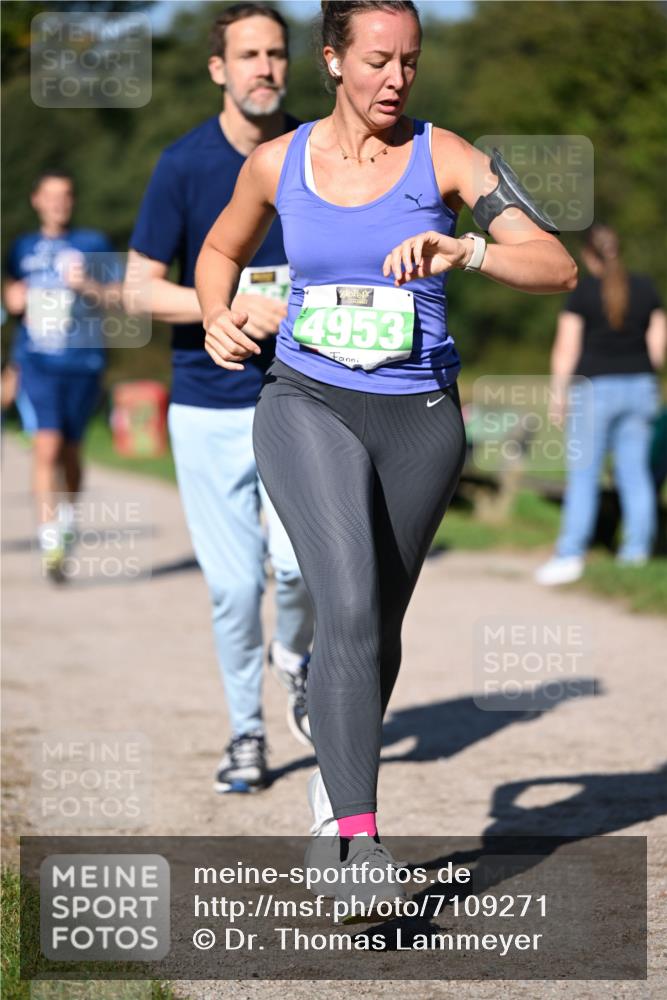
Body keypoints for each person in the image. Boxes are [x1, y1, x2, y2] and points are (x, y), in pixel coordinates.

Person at [195, 0, 576, 917]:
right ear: (331, 60)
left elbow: (555, 263)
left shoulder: (445, 158)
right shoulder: (276, 163)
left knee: (376, 626)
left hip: (420, 419)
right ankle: (360, 842)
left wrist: (469, 248)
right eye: (374, 61)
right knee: (352, 598)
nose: (394, 80)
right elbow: (220, 249)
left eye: (409, 61)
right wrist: (218, 314)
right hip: (306, 399)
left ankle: (335, 803)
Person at [125, 3, 315, 795]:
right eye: (248, 55)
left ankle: (295, 655)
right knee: (236, 586)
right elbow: (138, 290)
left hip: (302, 394)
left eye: (275, 53)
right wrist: (220, 309)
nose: (264, 68)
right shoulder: (183, 165)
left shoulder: (317, 154)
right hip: (205, 405)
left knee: (301, 567)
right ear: (219, 69)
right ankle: (245, 732)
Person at [2, 170, 121, 580]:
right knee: (46, 445)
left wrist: (88, 286)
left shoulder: (93, 244)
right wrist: (10, 298)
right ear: (36, 199)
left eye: (66, 195)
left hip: (84, 361)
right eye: (50, 196)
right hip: (37, 362)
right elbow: (10, 294)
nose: (58, 203)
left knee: (71, 450)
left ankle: (67, 518)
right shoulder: (21, 247)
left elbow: (118, 297)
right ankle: (50, 539)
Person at [536, 223, 666, 585]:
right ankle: (636, 553)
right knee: (635, 474)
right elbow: (658, 345)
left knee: (583, 476)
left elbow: (566, 349)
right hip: (641, 387)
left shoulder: (582, 292)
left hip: (594, 389)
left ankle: (570, 555)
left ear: (589, 255)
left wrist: (558, 395)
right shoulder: (646, 288)